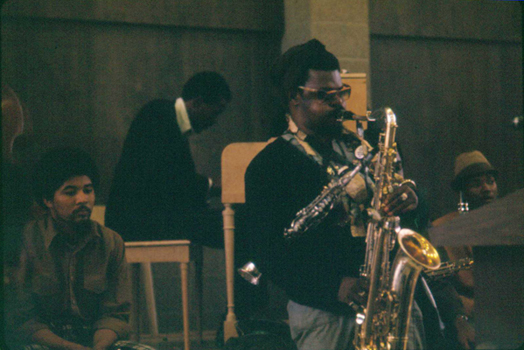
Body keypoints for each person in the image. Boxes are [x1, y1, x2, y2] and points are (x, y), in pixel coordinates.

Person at [244, 39, 424, 350]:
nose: (339, 103)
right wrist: (333, 287)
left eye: (341, 92)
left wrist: (410, 197)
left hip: (389, 301)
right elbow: (269, 254)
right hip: (324, 312)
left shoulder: (367, 144)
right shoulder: (269, 166)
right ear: (294, 97)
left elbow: (410, 216)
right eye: (325, 96)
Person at [6, 147, 149, 350]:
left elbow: (115, 316)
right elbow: (22, 320)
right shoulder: (26, 241)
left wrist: (97, 347)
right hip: (46, 344)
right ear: (48, 200)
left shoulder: (111, 242)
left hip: (94, 343)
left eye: (88, 190)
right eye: (70, 192)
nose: (82, 199)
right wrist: (68, 347)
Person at [105, 71, 231, 247]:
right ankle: (248, 275)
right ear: (198, 103)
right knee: (235, 226)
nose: (214, 121)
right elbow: (166, 180)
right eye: (215, 112)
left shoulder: (162, 115)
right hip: (138, 222)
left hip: (144, 216)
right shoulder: (158, 117)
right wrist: (211, 185)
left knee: (231, 223)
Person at [430, 150, 498, 348]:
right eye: (477, 184)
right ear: (462, 192)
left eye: (490, 181)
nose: (486, 189)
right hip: (467, 321)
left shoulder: (508, 225)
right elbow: (438, 286)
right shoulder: (442, 228)